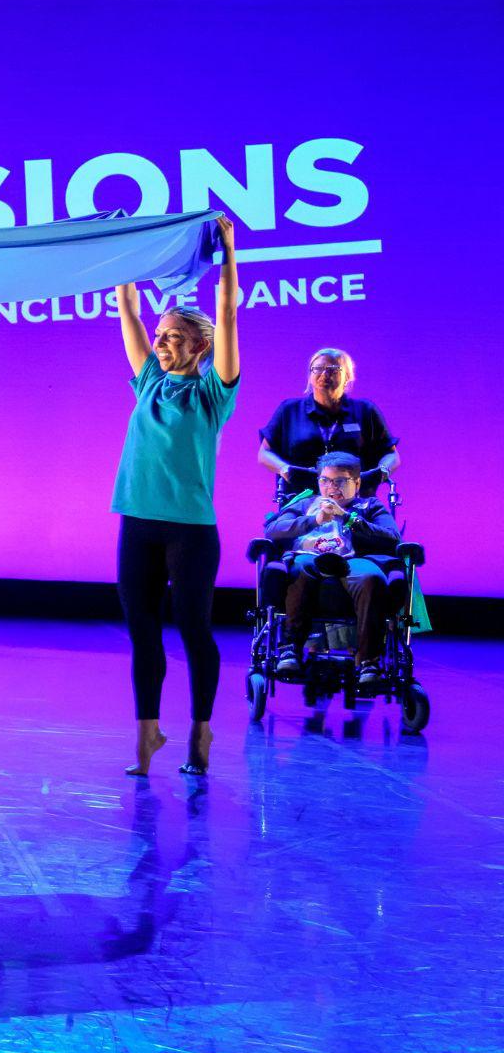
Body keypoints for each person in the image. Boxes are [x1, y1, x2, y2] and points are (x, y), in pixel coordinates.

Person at [110, 214, 241, 777]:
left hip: (190, 531)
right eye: (159, 336)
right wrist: (122, 251)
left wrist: (229, 250)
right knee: (143, 631)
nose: (160, 342)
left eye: (173, 337)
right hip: (138, 523)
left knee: (192, 628)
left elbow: (229, 312)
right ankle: (148, 737)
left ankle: (202, 731)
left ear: (200, 345)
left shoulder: (214, 391)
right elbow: (128, 310)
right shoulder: (149, 381)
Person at [263, 451, 401, 685]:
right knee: (300, 569)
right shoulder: (305, 502)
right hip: (310, 556)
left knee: (372, 578)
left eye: (340, 481)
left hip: (353, 561)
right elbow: (273, 529)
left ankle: (368, 662)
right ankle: (290, 648)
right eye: (325, 480)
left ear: (356, 483)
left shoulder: (369, 505)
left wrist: (348, 517)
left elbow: (392, 537)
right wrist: (313, 520)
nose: (331, 487)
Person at [258, 347, 399, 492]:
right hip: (300, 501)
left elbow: (392, 455)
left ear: (348, 376)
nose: (324, 374)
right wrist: (284, 469)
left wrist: (382, 472)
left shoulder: (365, 411)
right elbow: (265, 453)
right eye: (318, 368)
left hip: (356, 501)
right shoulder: (289, 410)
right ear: (309, 376)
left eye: (333, 369)